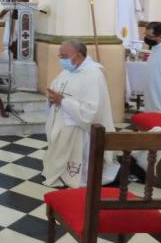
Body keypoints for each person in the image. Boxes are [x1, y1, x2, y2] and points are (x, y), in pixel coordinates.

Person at [43, 40, 120, 188]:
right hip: (62, 123)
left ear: (78, 56)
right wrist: (52, 99)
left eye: (64, 56)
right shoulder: (68, 70)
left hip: (80, 129)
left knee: (76, 166)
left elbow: (91, 111)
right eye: (60, 55)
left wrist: (63, 101)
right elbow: (55, 89)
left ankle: (76, 175)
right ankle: (58, 171)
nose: (61, 59)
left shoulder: (93, 74)